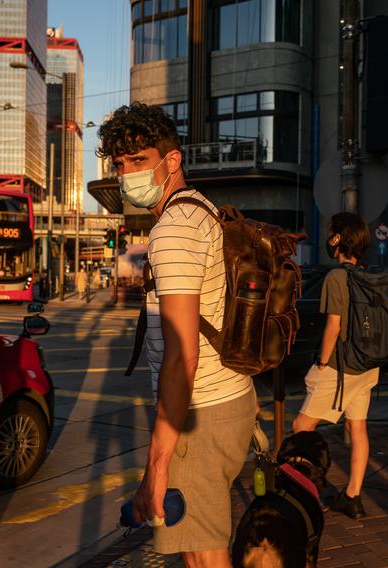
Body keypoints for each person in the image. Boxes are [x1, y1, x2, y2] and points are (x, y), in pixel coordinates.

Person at [97, 102, 255, 567]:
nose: (127, 174)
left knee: (204, 558)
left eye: (138, 161)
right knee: (197, 550)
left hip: (199, 414)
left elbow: (181, 356)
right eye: (120, 165)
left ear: (172, 160)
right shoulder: (202, 210)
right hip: (226, 400)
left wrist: (158, 464)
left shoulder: (173, 230)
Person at [292, 212, 377, 519]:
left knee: (301, 427)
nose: (328, 238)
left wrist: (321, 362)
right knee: (358, 428)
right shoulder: (370, 274)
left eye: (331, 233)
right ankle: (352, 496)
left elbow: (333, 328)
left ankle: (303, 492)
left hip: (341, 367)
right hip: (367, 365)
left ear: (339, 239)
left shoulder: (337, 277)